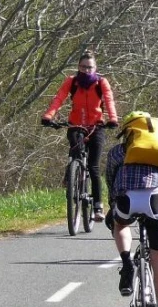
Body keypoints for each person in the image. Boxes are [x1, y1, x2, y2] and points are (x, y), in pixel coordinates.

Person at [104, 111, 158, 307]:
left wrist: (112, 205)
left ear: (128, 132)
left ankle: (127, 263)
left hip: (127, 199)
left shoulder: (119, 152)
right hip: (156, 201)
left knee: (121, 225)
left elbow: (110, 178)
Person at [40, 50, 120, 221]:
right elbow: (59, 99)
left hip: (96, 126)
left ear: (95, 68)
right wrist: (49, 115)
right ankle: (71, 175)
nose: (86, 70)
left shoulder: (101, 82)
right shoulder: (72, 81)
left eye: (90, 67)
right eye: (83, 67)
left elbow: (108, 100)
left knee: (94, 166)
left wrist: (113, 119)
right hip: (76, 125)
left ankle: (98, 206)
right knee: (75, 150)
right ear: (78, 67)